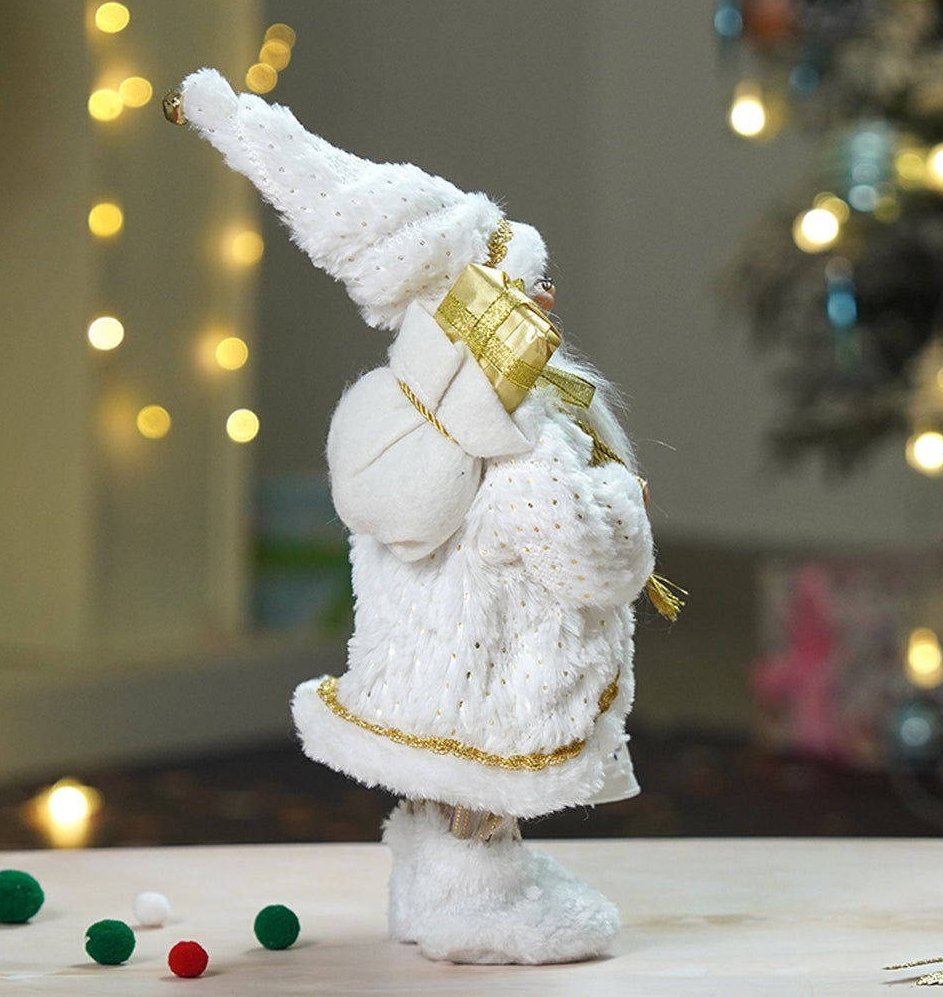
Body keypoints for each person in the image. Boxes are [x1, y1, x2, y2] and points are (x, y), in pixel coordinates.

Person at [169, 68, 668, 964]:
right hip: (497, 689)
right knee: (479, 788)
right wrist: (619, 495)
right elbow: (596, 561)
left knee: (452, 790)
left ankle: (436, 876)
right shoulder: (513, 449)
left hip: (432, 681)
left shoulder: (397, 412)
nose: (548, 302)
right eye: (524, 288)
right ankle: (473, 899)